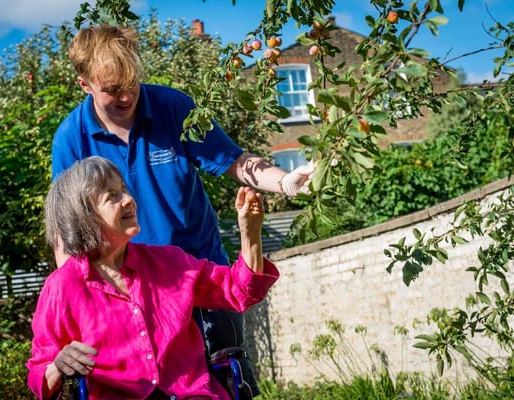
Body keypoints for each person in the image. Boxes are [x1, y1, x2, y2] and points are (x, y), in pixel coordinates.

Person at [51, 24, 313, 396]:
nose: (126, 97)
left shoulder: (173, 108)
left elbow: (234, 160)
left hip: (203, 275)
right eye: (111, 90)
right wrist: (76, 299)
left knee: (228, 381)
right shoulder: (70, 139)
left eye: (131, 83)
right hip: (132, 293)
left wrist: (286, 182)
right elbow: (68, 233)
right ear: (85, 84)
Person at [27, 156, 279, 399]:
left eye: (124, 190)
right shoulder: (63, 286)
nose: (128, 200)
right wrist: (58, 366)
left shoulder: (170, 262)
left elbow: (239, 291)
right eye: (111, 196)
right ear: (84, 216)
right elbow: (39, 375)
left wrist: (250, 232)